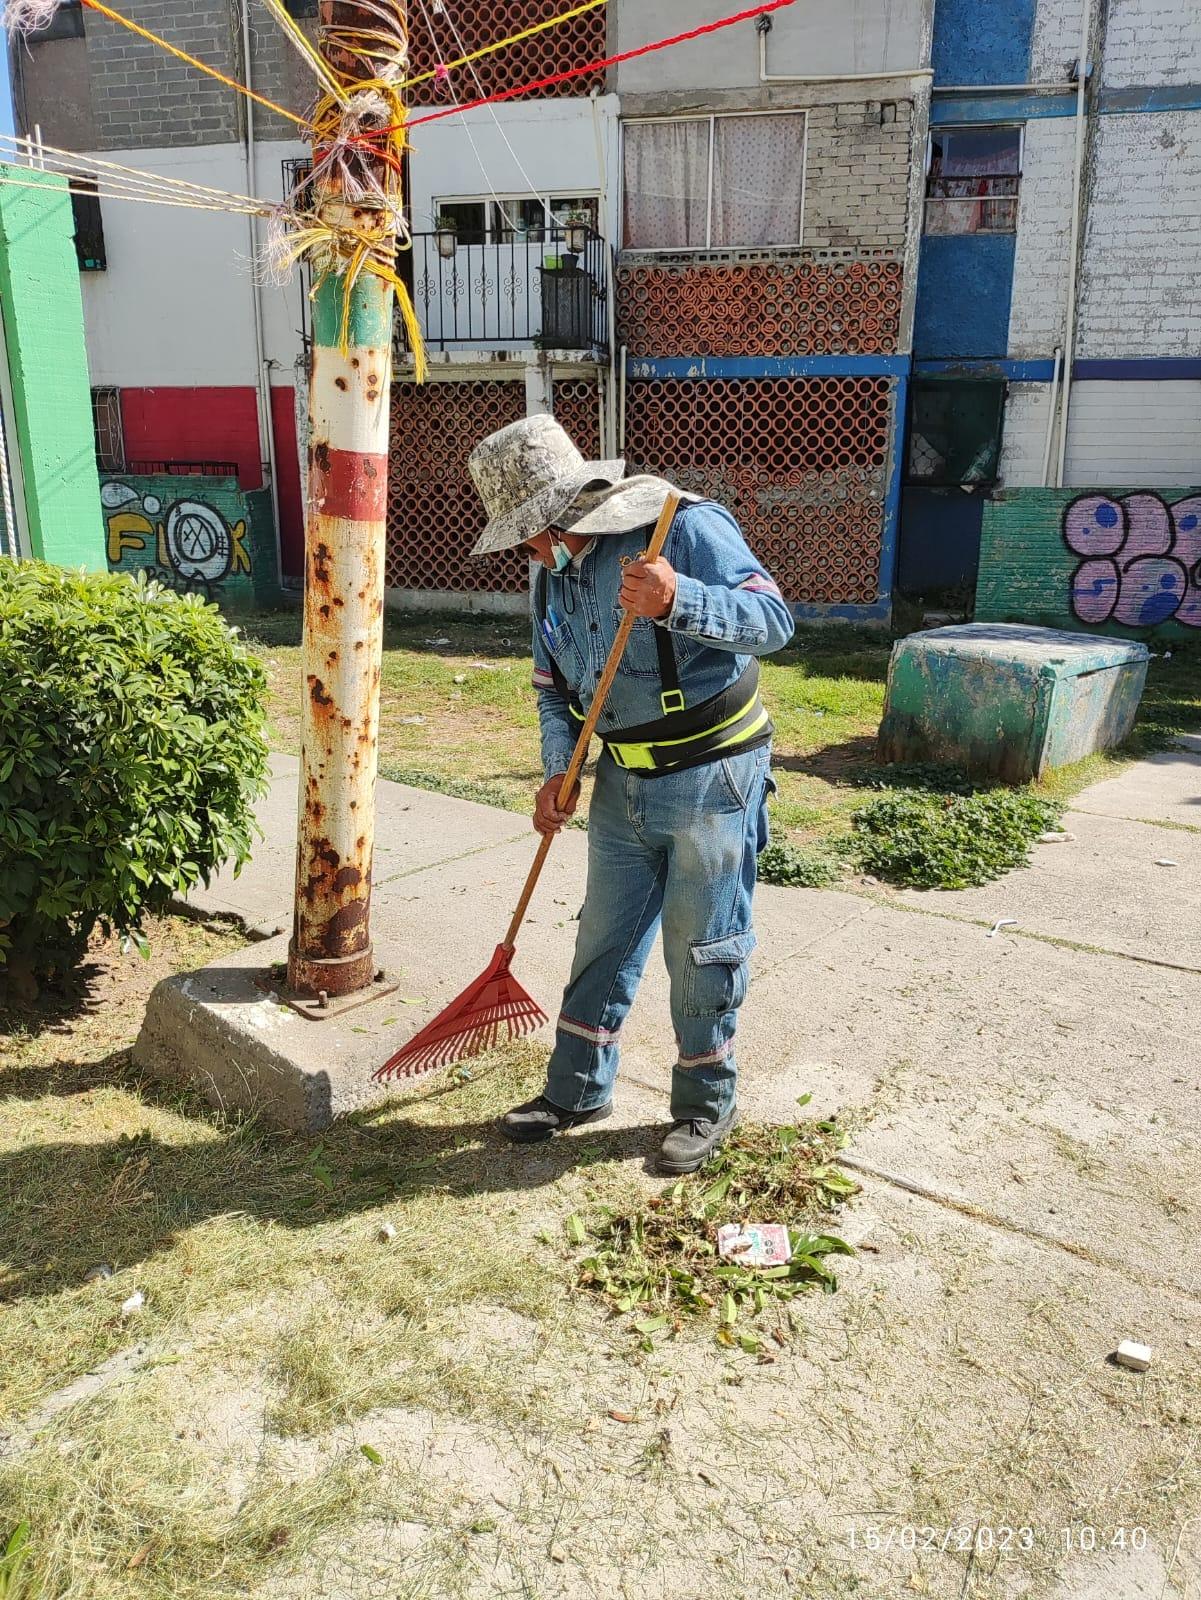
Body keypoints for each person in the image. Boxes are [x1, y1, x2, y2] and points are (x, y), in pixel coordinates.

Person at [466, 415, 794, 1173]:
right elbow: (552, 686)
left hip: (712, 773)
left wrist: (680, 600)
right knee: (602, 939)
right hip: (621, 776)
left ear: (560, 510)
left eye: (526, 533)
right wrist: (560, 769)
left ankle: (705, 1105)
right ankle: (576, 1089)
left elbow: (774, 623)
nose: (525, 549)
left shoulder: (680, 528)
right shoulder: (549, 575)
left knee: (701, 950)